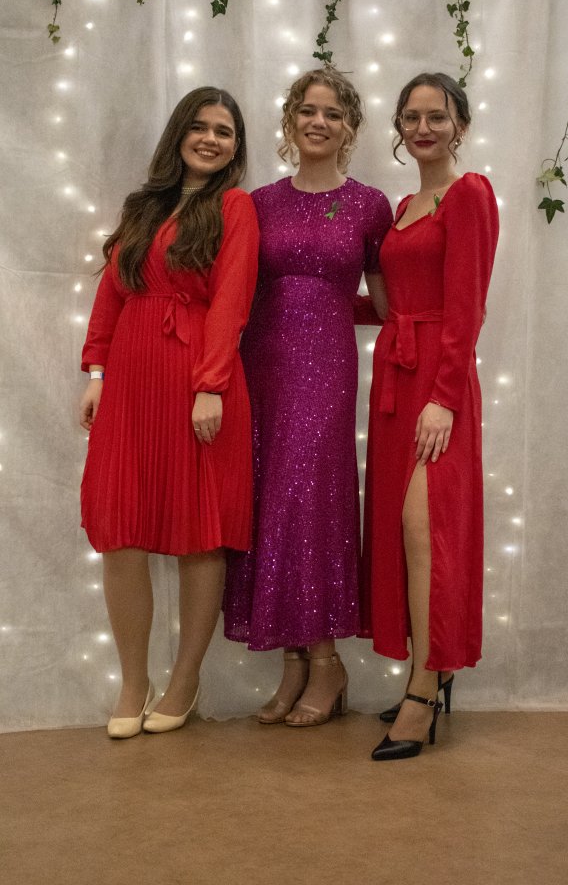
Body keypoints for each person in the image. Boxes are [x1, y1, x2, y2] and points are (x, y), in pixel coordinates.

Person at [79, 87, 259, 738]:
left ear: (236, 148)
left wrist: (210, 385)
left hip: (198, 381)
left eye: (225, 131)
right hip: (131, 382)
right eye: (201, 127)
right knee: (120, 529)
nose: (211, 139)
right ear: (179, 134)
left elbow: (232, 296)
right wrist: (96, 371)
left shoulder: (234, 207)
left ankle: (185, 679)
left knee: (199, 532)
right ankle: (134, 681)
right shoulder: (144, 207)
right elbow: (111, 293)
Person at [224, 68, 392, 726]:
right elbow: (241, 290)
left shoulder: (369, 205)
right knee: (270, 499)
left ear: (350, 128)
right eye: (308, 111)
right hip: (260, 366)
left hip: (326, 370)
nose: (319, 122)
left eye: (333, 114)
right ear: (291, 120)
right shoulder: (258, 203)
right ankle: (294, 661)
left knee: (312, 500)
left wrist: (333, 306)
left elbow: (387, 302)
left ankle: (327, 661)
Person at [360, 72, 499, 760]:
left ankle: (424, 689)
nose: (422, 128)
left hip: (440, 381)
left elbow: (467, 304)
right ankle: (428, 672)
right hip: (396, 373)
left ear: (459, 126)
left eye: (436, 117)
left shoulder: (469, 194)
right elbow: (395, 303)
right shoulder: (404, 205)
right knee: (403, 532)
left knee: (426, 529)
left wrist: (445, 397)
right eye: (411, 117)